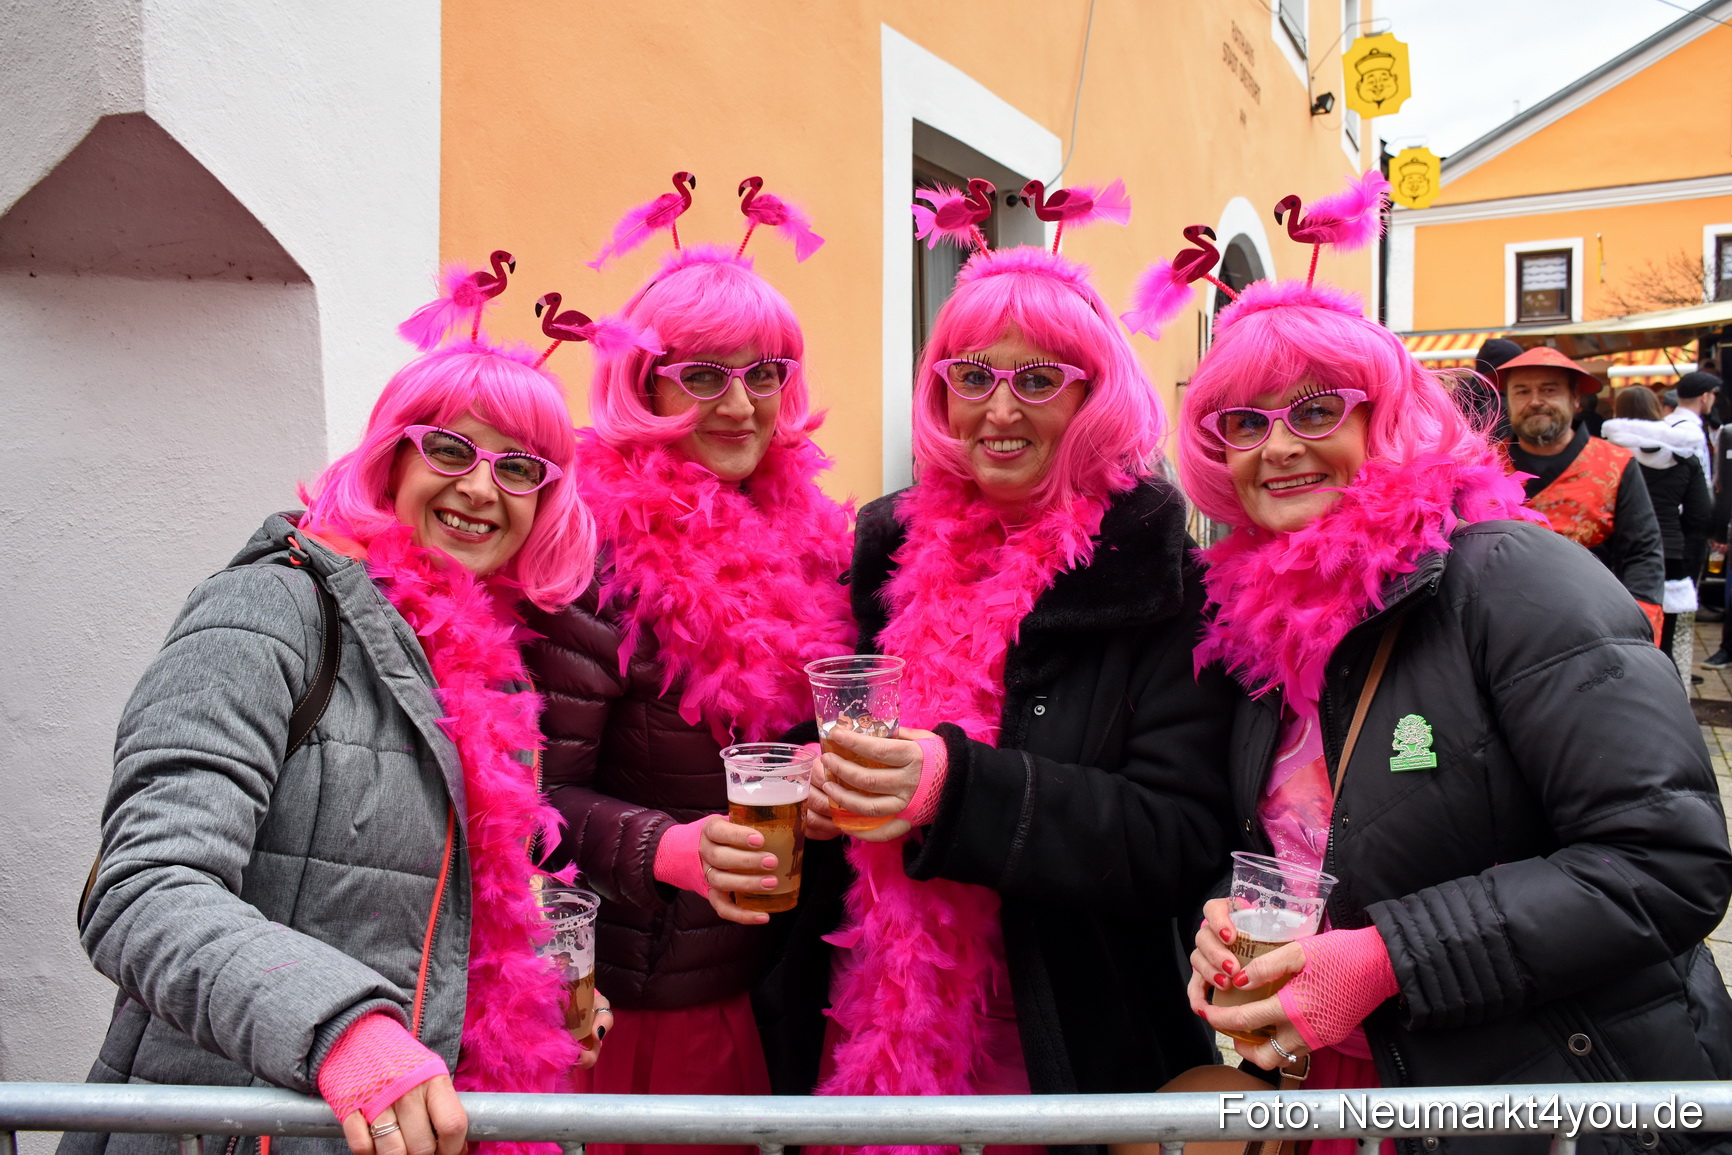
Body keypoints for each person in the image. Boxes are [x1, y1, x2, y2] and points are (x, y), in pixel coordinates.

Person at [1165, 179, 1732, 1154]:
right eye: (1245, 423)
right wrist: (1228, 915)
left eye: (1316, 410)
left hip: (1547, 1105)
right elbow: (1316, 841)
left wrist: (1388, 957)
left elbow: (1666, 862)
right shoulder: (1260, 622)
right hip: (1353, 1087)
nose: (1278, 446)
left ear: (1383, 418)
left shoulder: (1512, 578)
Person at [66, 259, 615, 1155]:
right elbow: (142, 889)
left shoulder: (495, 675)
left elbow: (435, 909)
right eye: (451, 450)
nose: (482, 489)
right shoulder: (271, 609)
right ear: (394, 456)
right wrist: (341, 1025)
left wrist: (528, 997)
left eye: (518, 468)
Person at [754, 189, 1238, 1115]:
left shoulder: (1158, 574)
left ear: (1093, 392)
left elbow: (1177, 840)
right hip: (872, 1017)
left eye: (1039, 380)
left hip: (1056, 1043)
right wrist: (819, 780)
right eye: (972, 377)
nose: (999, 409)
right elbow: (849, 728)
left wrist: (954, 789)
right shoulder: (889, 543)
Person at [522, 178, 855, 1155]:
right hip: (628, 1010)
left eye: (764, 373)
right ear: (648, 382)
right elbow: (529, 798)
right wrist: (670, 851)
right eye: (703, 375)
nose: (740, 404)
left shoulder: (813, 544)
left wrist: (820, 782)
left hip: (756, 991)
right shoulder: (592, 553)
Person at [1500, 345, 1666, 639]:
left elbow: (1642, 554)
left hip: (1593, 627)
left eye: (1549, 390)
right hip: (1502, 627)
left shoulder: (1616, 463)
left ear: (1575, 399)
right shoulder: (1481, 465)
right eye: (1522, 392)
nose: (1535, 401)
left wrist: (1637, 631)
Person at [1604, 386, 1712, 677]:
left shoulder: (1606, 457)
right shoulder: (1684, 459)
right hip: (1671, 556)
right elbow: (1700, 515)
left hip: (1617, 558)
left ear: (1618, 411)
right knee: (1663, 646)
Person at [1667, 369, 1720, 477]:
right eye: (1713, 393)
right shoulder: (1692, 431)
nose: (1714, 398)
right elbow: (1701, 474)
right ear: (1704, 397)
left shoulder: (1666, 422)